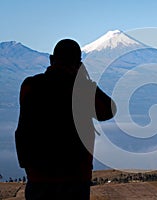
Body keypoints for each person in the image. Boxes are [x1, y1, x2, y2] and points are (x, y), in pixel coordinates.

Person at [15, 39, 116, 200]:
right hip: (74, 178)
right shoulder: (81, 89)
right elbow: (109, 110)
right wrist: (85, 81)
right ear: (78, 64)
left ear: (51, 59)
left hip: (38, 177)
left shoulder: (30, 86)